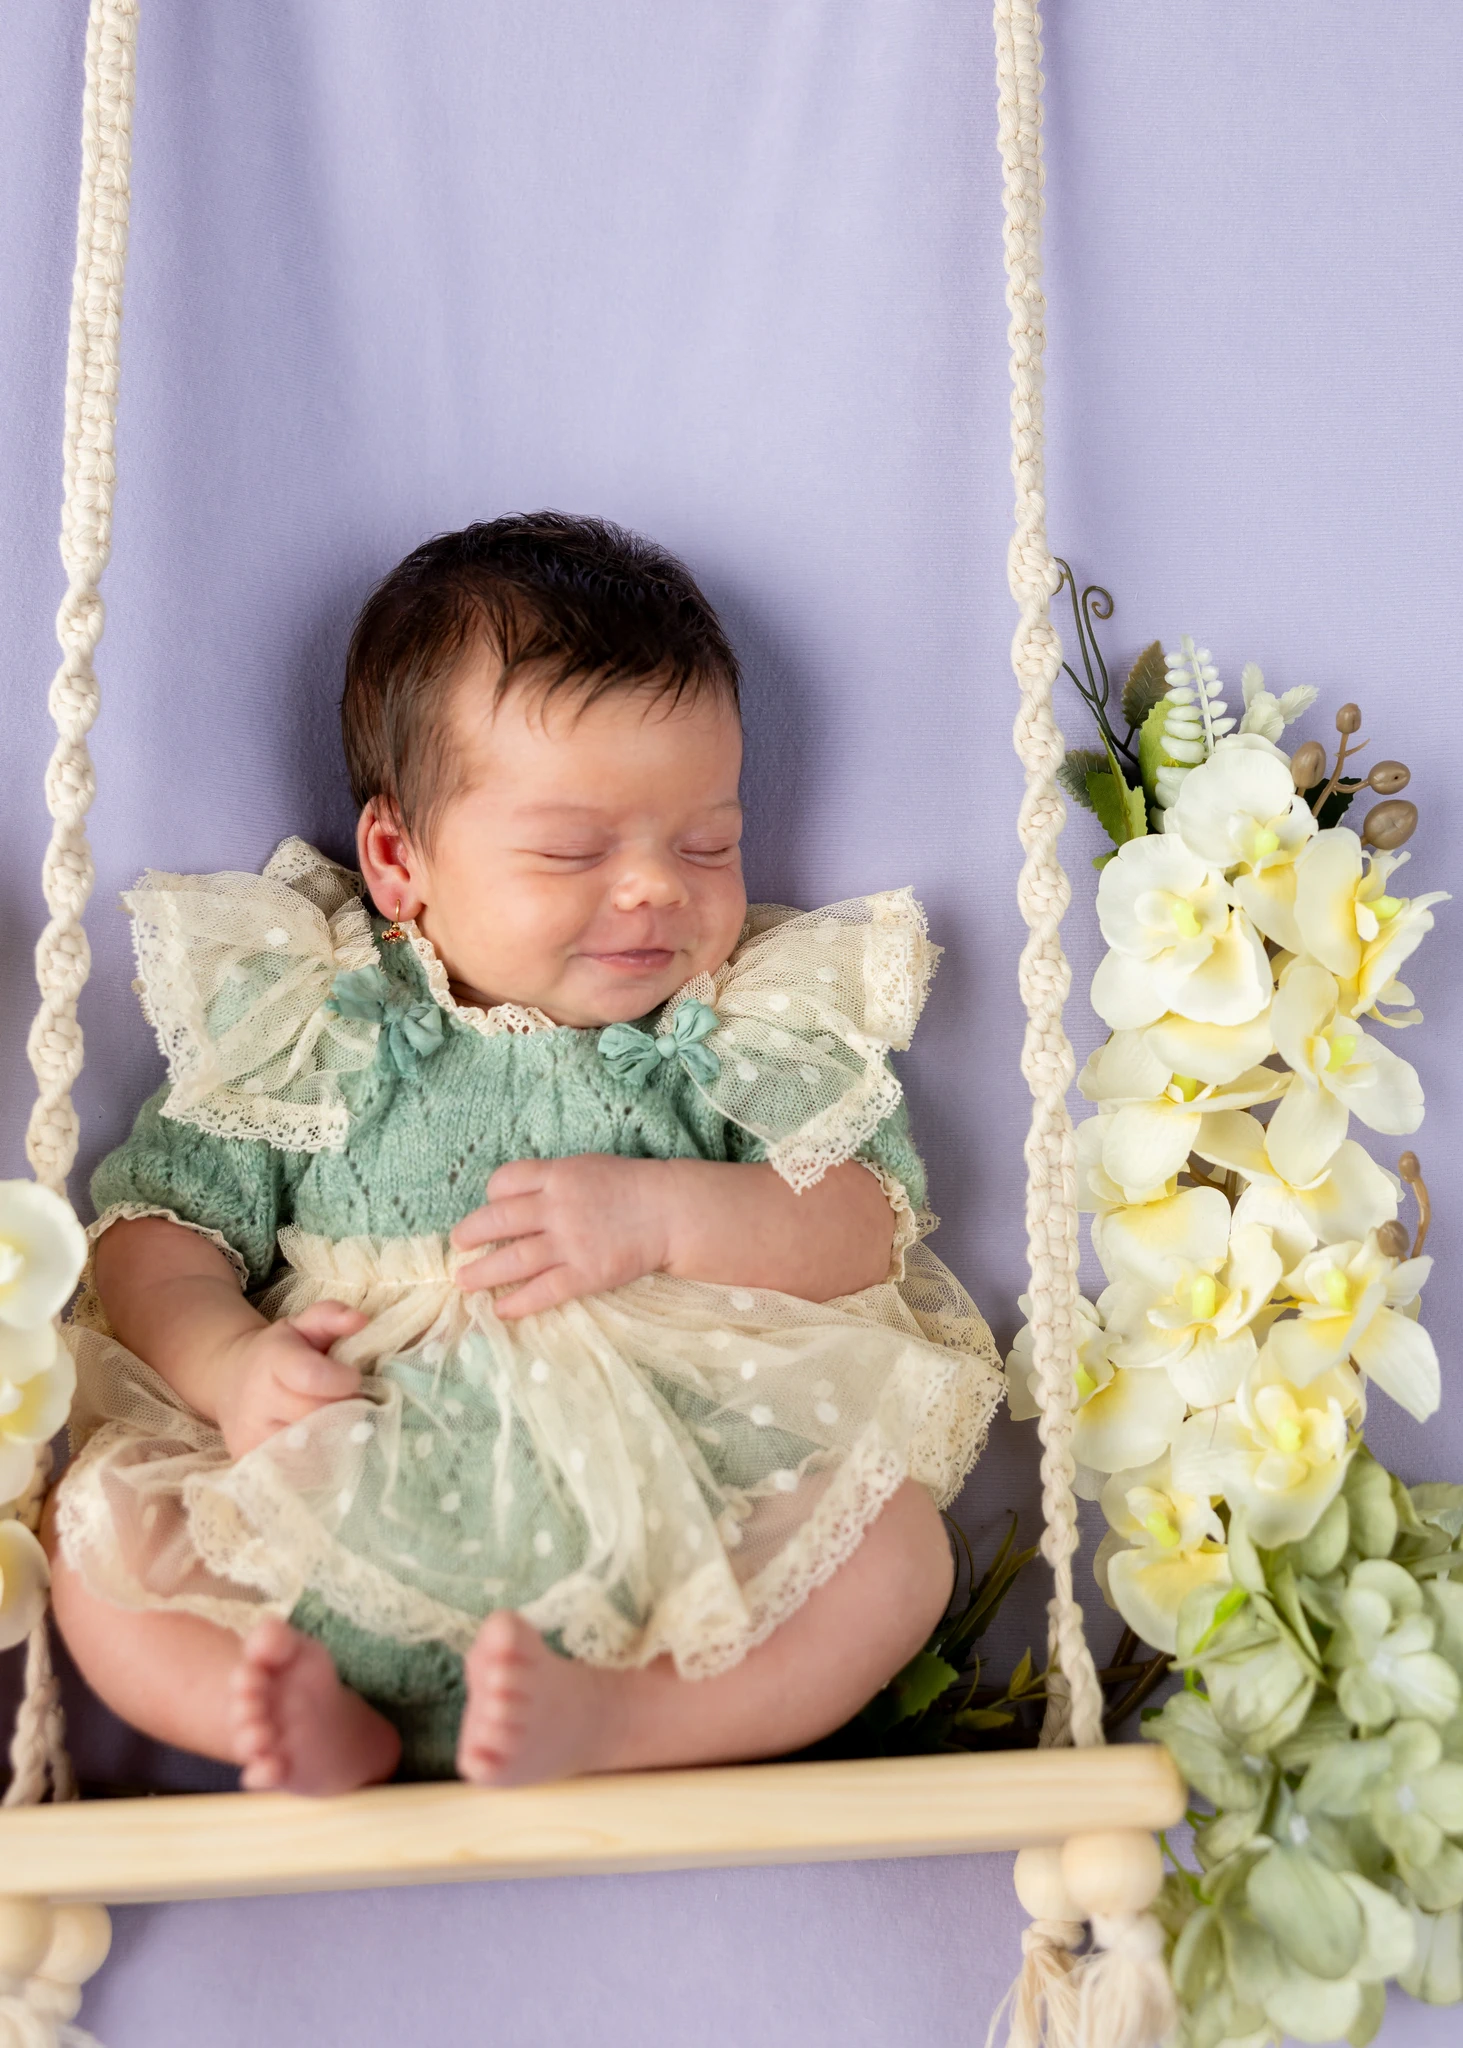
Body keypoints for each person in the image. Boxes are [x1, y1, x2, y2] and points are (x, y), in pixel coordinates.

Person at [47, 513, 1003, 1795]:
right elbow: (156, 1229)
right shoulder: (316, 1016)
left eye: (706, 843)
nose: (654, 888)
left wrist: (663, 1218)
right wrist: (227, 1364)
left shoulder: (728, 1030)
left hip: (666, 1526)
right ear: (398, 859)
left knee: (895, 1550)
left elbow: (864, 1219)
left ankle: (624, 1717)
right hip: (342, 1491)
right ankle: (298, 1711)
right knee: (95, 1537)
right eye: (572, 850)